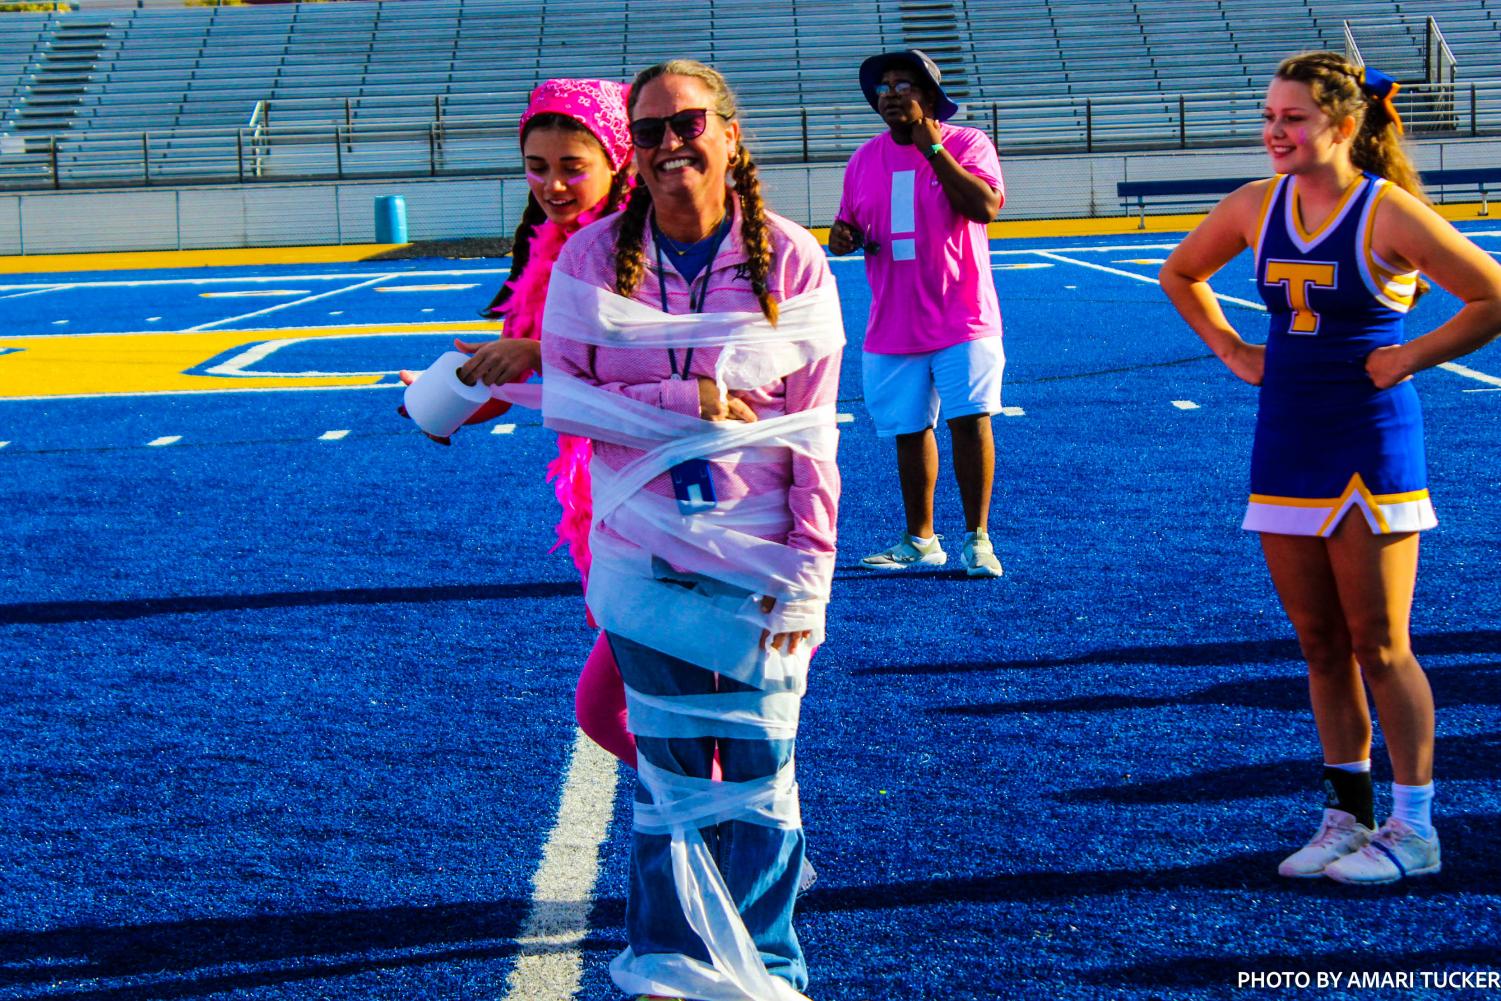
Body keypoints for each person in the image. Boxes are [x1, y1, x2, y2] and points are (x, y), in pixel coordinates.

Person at [1160, 51, 1501, 884]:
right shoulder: (1252, 205)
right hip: (1285, 441)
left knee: (1380, 643)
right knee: (1318, 644)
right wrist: (1235, 350)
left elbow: (1492, 293)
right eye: (1269, 118)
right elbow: (1180, 272)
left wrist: (1410, 355)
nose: (1275, 133)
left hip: (1369, 441)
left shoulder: (1388, 213)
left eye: (1293, 119)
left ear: (1342, 126)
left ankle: (1414, 825)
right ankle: (1344, 815)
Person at [541, 59, 842, 1001]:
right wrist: (689, 398)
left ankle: (768, 966)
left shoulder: (789, 256)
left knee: (760, 767)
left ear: (729, 132)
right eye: (651, 131)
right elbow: (565, 398)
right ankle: (670, 963)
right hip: (642, 547)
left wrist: (810, 574)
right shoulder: (591, 258)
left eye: (688, 123)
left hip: (762, 553)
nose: (672, 144)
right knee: (670, 771)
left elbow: (812, 434)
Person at [400, 78, 641, 767]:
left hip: (658, 496)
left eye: (572, 166)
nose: (552, 184)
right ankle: (733, 832)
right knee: (645, 703)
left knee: (608, 709)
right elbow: (542, 380)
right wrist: (457, 389)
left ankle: (742, 832)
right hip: (608, 494)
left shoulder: (638, 244)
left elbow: (647, 357)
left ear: (617, 159)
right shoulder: (559, 242)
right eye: (538, 167)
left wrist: (534, 352)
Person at [829, 48, 1006, 578]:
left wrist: (934, 150)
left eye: (903, 85)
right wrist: (842, 238)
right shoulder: (862, 159)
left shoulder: (968, 142)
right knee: (908, 430)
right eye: (884, 87)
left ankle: (978, 539)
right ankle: (920, 539)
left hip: (962, 315)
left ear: (929, 97)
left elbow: (984, 207)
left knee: (969, 420)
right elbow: (847, 227)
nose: (890, 94)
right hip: (892, 320)